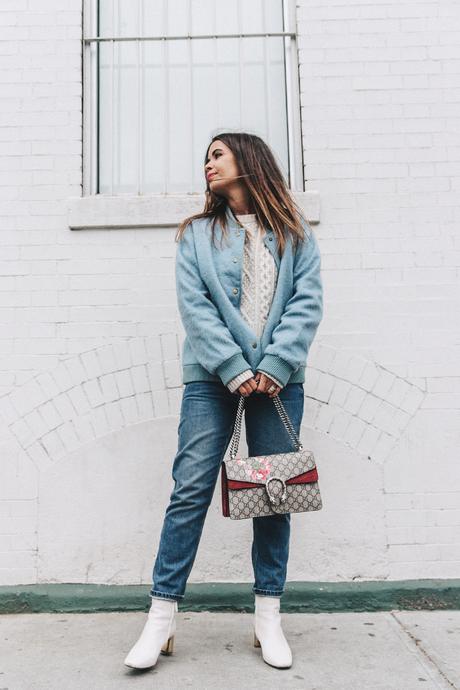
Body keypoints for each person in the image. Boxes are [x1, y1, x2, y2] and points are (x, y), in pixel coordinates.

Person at [124, 132, 323, 671]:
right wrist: (234, 368)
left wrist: (275, 366)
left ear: (247, 159)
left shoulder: (293, 233)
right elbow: (196, 307)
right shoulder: (197, 235)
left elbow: (307, 303)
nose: (207, 164)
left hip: (280, 380)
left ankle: (268, 617)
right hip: (211, 378)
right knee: (190, 488)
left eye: (217, 154)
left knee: (275, 493)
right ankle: (161, 617)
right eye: (206, 158)